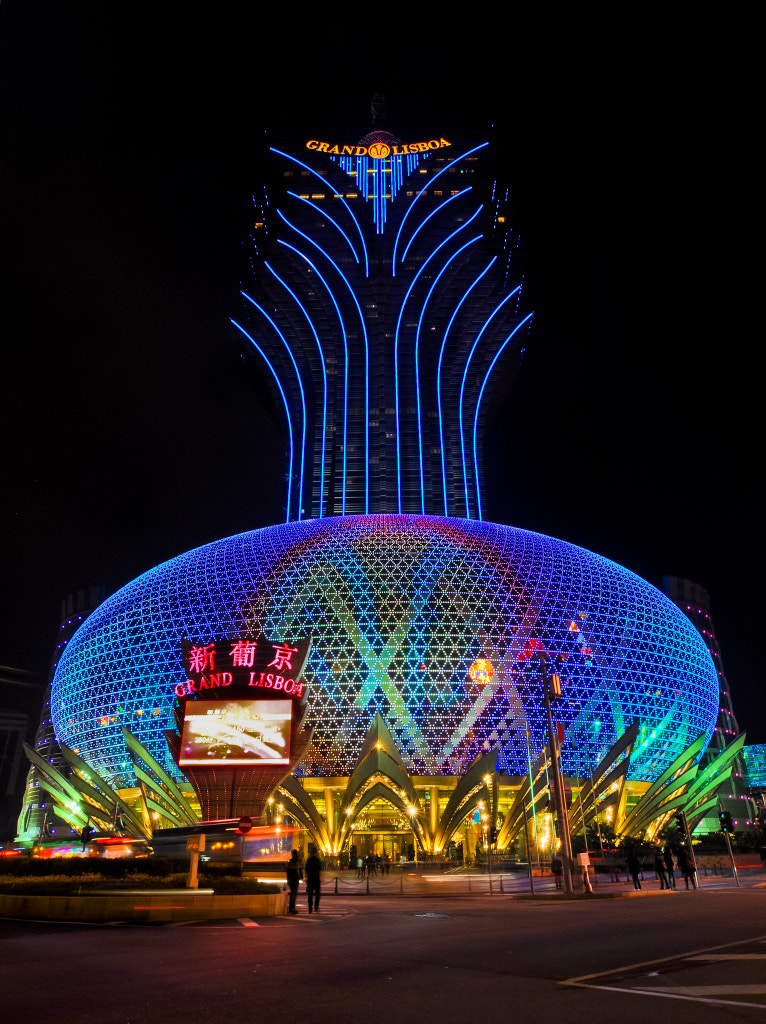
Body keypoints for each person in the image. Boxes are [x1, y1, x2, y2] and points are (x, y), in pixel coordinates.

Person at [304, 845, 322, 914]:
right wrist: (321, 877)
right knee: (317, 894)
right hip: (316, 879)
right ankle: (316, 907)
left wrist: (306, 877)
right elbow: (319, 870)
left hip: (310, 879)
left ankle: (310, 908)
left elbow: (306, 870)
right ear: (316, 852)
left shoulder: (308, 860)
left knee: (310, 894)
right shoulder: (317, 860)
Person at [286, 849, 302, 914]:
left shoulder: (290, 861)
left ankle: (291, 907)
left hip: (291, 879)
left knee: (292, 893)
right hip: (295, 879)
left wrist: (288, 879)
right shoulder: (297, 862)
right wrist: (301, 877)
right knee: (294, 894)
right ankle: (292, 908)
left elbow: (288, 871)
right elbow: (299, 870)